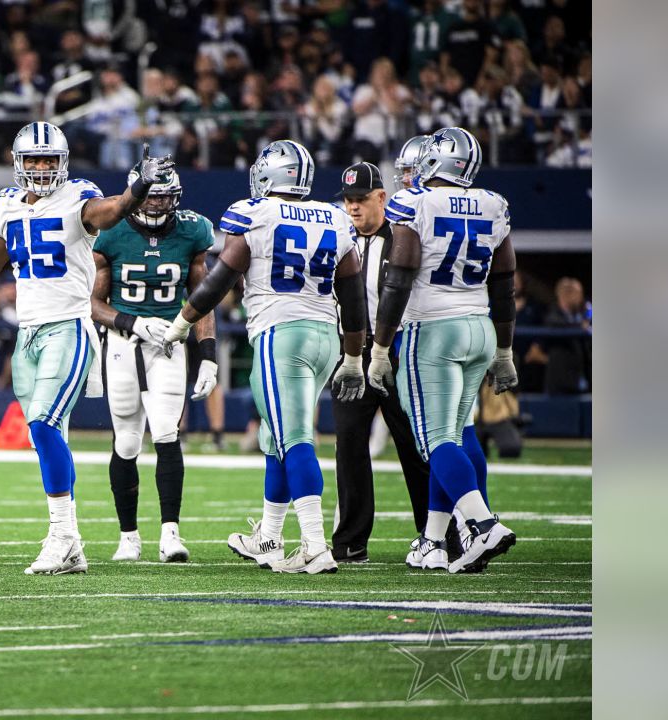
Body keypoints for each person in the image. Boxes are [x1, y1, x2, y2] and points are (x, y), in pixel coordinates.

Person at [0, 122, 174, 575]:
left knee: (42, 422)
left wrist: (137, 186)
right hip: (28, 335)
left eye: (49, 159)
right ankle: (71, 545)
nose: (41, 168)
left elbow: (113, 211)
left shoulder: (77, 197)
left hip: (69, 327)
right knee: (46, 435)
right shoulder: (4, 205)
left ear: (63, 162)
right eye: (33, 159)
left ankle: (62, 536)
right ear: (18, 162)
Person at [165, 140, 368, 574]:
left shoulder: (256, 213)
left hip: (281, 334)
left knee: (294, 437)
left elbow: (222, 277)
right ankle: (270, 538)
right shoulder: (335, 217)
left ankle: (314, 544)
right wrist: (353, 357)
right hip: (325, 338)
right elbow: (352, 295)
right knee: (278, 437)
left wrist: (184, 321)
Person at [371, 126, 518, 574]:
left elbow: (400, 276)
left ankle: (483, 524)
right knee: (453, 435)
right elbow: (506, 280)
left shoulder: (416, 203)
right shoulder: (493, 203)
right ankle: (433, 541)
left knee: (435, 440)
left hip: (433, 327)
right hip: (480, 326)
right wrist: (506, 349)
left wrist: (380, 345)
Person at [90, 166, 216, 563]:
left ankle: (170, 534)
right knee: (127, 440)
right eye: (153, 195)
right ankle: (128, 536)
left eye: (166, 196)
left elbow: (202, 295)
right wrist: (131, 321)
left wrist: (208, 355)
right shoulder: (109, 232)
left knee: (165, 430)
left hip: (169, 339)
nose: (159, 203)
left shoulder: (193, 231)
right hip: (123, 340)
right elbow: (91, 303)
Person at [329, 157, 435, 564]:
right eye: (348, 200)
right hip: (352, 350)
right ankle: (352, 540)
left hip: (401, 348)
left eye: (361, 199)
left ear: (381, 197)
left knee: (415, 444)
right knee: (350, 444)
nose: (353, 207)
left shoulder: (404, 236)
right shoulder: (340, 237)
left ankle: (434, 531)